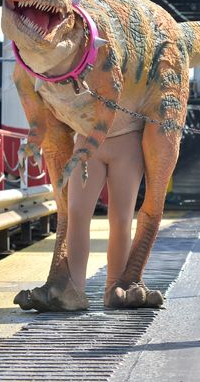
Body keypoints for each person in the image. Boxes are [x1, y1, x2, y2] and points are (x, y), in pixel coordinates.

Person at [66, 127, 144, 306]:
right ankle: (75, 287)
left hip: (128, 137)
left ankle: (115, 286)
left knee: (122, 219)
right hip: (87, 134)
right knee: (77, 212)